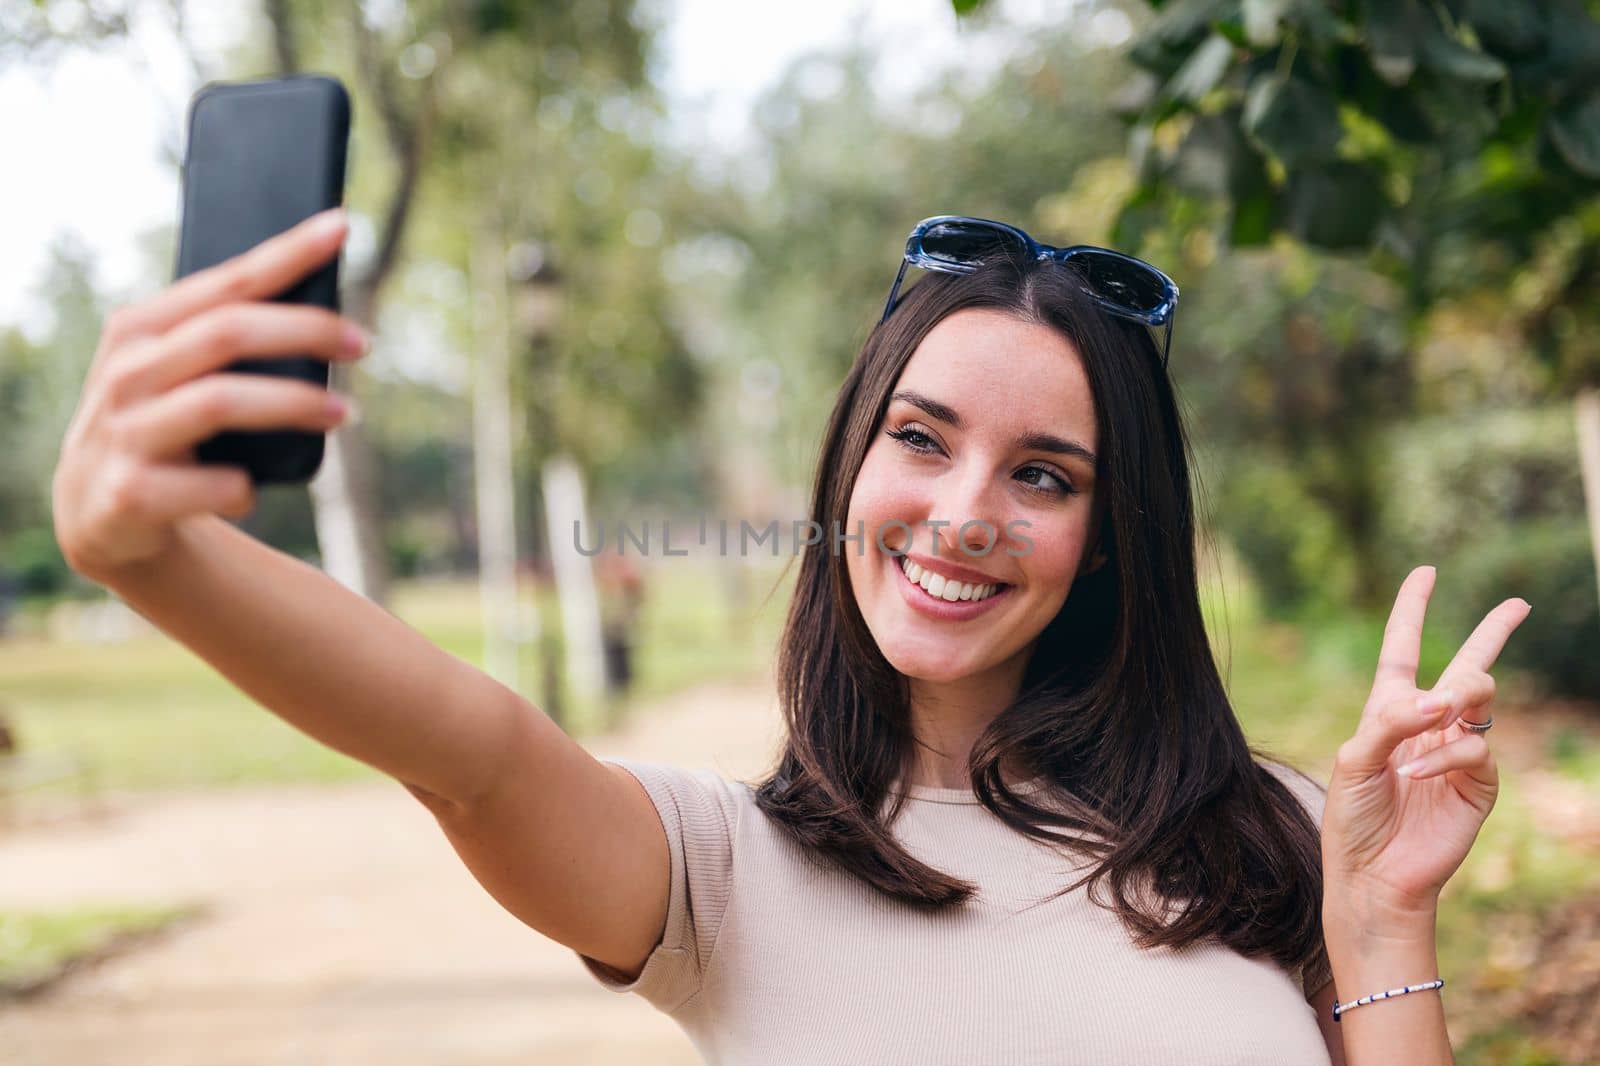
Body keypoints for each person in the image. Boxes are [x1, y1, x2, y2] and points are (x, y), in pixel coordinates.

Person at [51, 208, 1530, 1064]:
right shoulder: (722, 873)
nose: (962, 514)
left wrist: (1388, 919)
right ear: (851, 470)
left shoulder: (1267, 834)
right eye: (922, 439)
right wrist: (147, 554)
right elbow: (473, 751)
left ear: (1109, 534)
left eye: (1043, 474)